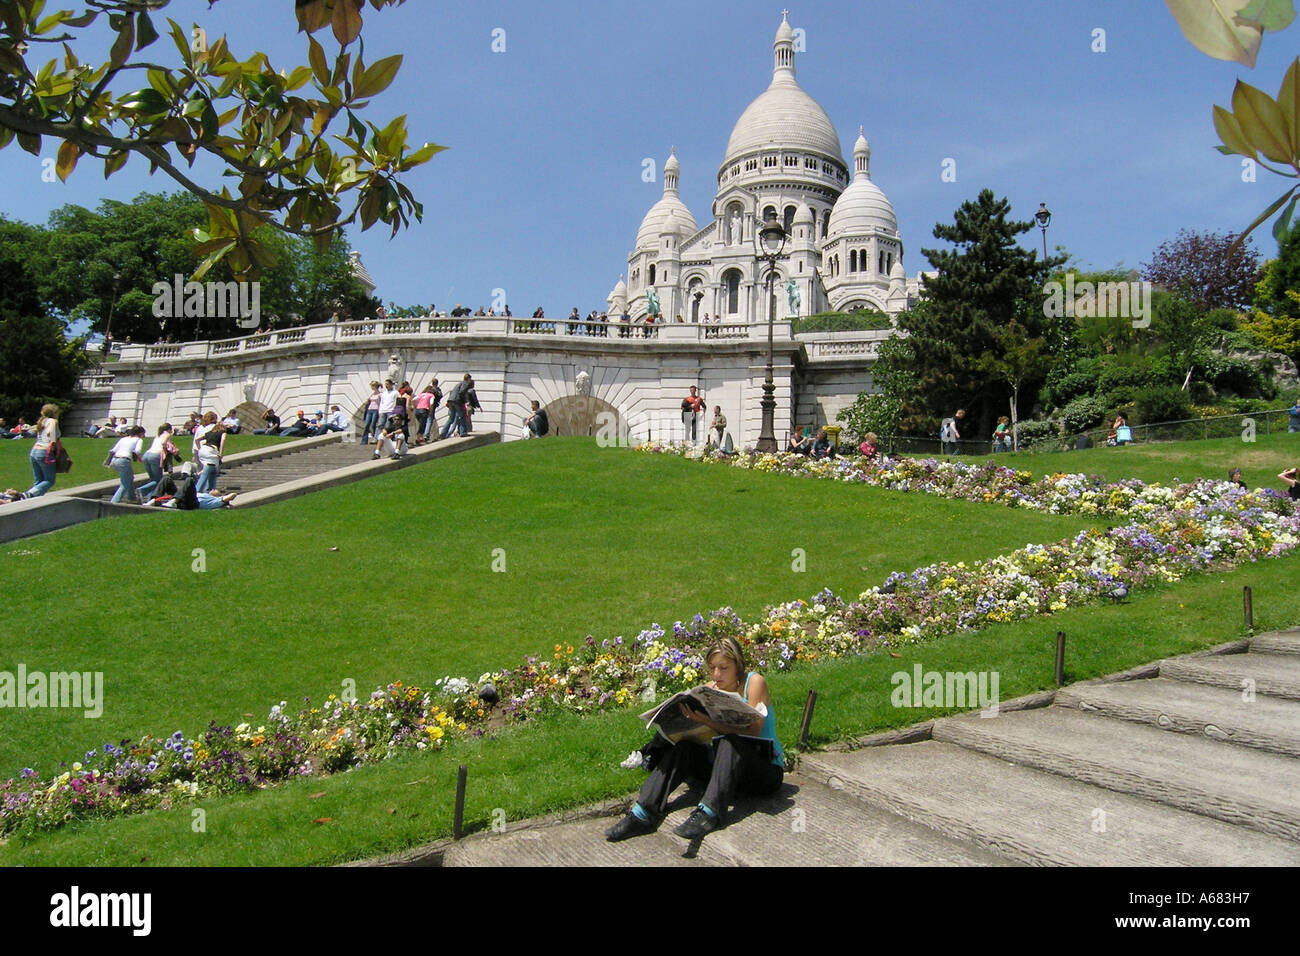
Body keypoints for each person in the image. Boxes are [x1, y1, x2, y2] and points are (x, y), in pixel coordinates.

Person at [605, 637, 784, 842]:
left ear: (738, 665)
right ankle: (643, 813)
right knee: (684, 748)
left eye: (724, 668)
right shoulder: (710, 689)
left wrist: (709, 722)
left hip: (763, 771)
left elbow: (752, 733)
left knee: (730, 741)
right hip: (725, 774)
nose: (717, 674)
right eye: (712, 668)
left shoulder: (754, 683)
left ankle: (709, 813)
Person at [22, 404, 61, 498]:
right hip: (44, 451)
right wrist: (53, 442)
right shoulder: (52, 421)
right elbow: (50, 432)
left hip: (34, 451)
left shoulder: (42, 421)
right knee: (49, 480)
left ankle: (33, 499)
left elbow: (31, 431)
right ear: (54, 413)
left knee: (39, 480)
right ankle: (27, 495)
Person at [108, 426, 146, 504]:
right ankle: (114, 502)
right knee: (124, 484)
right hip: (124, 461)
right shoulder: (139, 440)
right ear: (140, 433)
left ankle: (132, 497)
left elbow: (113, 450)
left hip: (115, 460)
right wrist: (140, 459)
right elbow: (137, 451)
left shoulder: (123, 439)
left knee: (129, 478)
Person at [139, 423, 174, 500]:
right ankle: (142, 490)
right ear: (168, 429)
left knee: (153, 479)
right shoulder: (167, 434)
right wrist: (166, 449)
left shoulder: (158, 436)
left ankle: (151, 498)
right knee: (158, 480)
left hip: (147, 455)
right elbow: (163, 443)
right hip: (156, 455)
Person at [195, 424, 226, 493]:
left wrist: (199, 448)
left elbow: (197, 440)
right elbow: (223, 440)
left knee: (213, 470)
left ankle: (210, 490)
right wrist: (220, 454)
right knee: (209, 469)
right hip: (211, 451)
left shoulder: (209, 433)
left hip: (203, 450)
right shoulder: (223, 433)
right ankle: (198, 490)